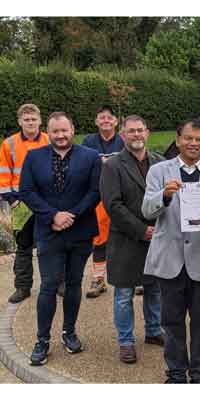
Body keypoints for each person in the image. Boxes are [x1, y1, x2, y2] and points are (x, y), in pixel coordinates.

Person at [142, 119, 200, 383]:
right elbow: (146, 210)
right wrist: (165, 197)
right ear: (178, 140)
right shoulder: (159, 171)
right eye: (188, 138)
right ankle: (176, 372)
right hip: (171, 260)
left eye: (199, 140)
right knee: (172, 321)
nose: (193, 144)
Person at [20, 111, 102, 366]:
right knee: (48, 286)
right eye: (55, 131)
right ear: (49, 132)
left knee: (74, 284)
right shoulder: (34, 157)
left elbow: (95, 191)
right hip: (48, 231)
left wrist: (72, 215)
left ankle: (69, 332)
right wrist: (53, 216)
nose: (60, 135)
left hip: (80, 231)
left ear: (73, 130)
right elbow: (27, 190)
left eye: (65, 130)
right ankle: (42, 340)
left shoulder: (90, 157)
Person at [100, 115, 165, 364]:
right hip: (127, 239)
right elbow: (113, 205)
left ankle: (153, 330)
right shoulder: (112, 165)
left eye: (140, 131)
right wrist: (141, 230)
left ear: (147, 132)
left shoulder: (160, 162)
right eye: (131, 132)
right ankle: (126, 341)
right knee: (124, 294)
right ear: (123, 136)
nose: (136, 135)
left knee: (154, 289)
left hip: (156, 237)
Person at [0, 104, 49, 304]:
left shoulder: (49, 139)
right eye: (26, 119)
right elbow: (3, 173)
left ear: (40, 120)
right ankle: (22, 287)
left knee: (52, 245)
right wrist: (11, 200)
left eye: (33, 119)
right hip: (21, 203)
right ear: (20, 121)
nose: (30, 122)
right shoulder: (9, 143)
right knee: (23, 246)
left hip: (47, 200)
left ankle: (56, 283)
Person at [81, 105, 125, 298]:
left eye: (109, 118)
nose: (106, 120)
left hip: (122, 194)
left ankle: (135, 277)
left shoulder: (124, 140)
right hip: (98, 195)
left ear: (116, 121)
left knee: (127, 234)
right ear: (96, 121)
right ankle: (99, 279)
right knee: (99, 237)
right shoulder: (88, 141)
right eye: (102, 118)